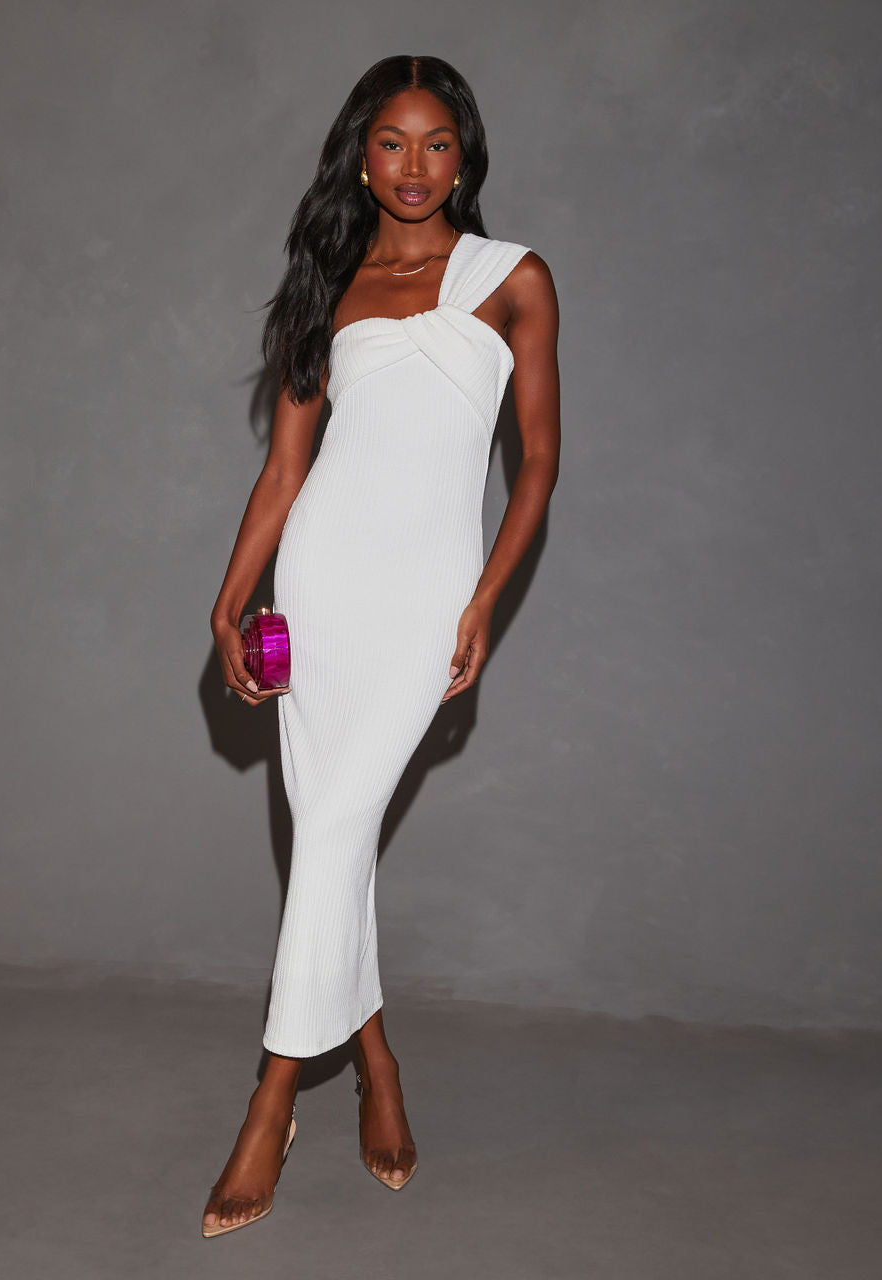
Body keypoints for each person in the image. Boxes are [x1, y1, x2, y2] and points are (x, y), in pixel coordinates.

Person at [202, 53, 561, 1236]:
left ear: (464, 157)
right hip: (322, 582)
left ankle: (271, 1097)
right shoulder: (331, 286)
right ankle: (376, 1064)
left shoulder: (513, 279)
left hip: (424, 595)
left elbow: (537, 465)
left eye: (437, 143)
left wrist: (484, 600)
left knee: (333, 826)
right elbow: (284, 470)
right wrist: (229, 601)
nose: (415, 165)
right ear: (362, 157)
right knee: (333, 835)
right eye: (393, 143)